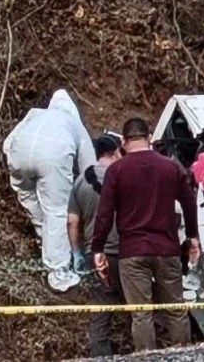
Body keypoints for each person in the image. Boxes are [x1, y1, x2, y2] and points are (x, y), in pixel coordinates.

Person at [91, 117, 200, 352]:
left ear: (123, 141)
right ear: (149, 138)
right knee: (175, 309)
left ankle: (147, 358)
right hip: (167, 248)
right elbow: (190, 203)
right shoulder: (170, 166)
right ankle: (184, 355)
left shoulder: (116, 171)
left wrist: (98, 249)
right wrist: (192, 237)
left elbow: (105, 213)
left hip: (131, 251)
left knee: (141, 314)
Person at [3, 89, 95, 292]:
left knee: (28, 195)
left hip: (18, 155)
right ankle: (58, 273)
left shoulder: (35, 114)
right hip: (53, 158)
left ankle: (45, 240)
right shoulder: (74, 124)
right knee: (56, 210)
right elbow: (90, 169)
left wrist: (17, 161)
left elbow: (7, 143)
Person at [67, 134, 124, 357]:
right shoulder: (121, 176)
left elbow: (72, 221)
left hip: (95, 252)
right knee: (140, 303)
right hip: (123, 250)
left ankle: (101, 356)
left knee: (102, 307)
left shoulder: (80, 181)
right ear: (115, 152)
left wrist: (76, 253)